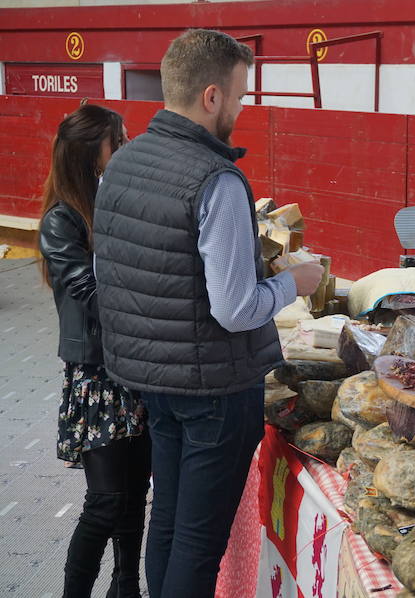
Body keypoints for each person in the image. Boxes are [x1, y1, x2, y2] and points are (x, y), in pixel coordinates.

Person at [91, 29, 323, 598]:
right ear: (212, 96)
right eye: (241, 97)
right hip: (214, 391)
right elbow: (236, 308)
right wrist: (296, 280)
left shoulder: (124, 162)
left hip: (151, 378)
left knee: (167, 519)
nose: (241, 110)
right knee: (197, 540)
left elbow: (116, 275)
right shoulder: (215, 178)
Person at [38, 103, 151, 598]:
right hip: (98, 378)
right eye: (117, 142)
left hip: (137, 369)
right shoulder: (61, 221)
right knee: (105, 501)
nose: (125, 149)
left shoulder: (114, 202)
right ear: (91, 155)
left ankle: (126, 585)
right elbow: (90, 292)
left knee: (133, 497)